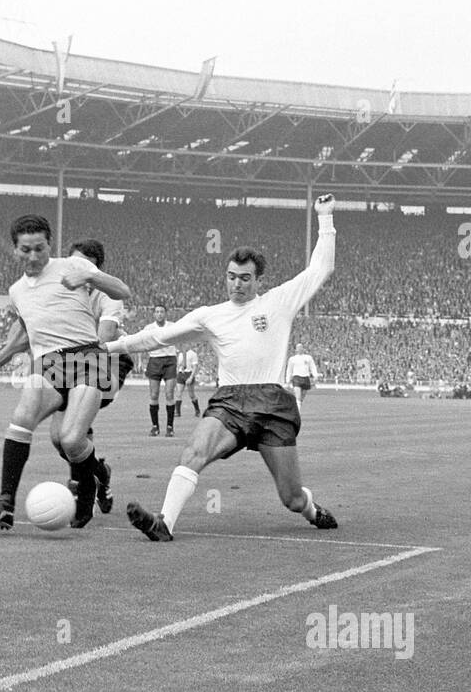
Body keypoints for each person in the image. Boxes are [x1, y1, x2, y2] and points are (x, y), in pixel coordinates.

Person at [103, 195, 340, 540]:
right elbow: (159, 337)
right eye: (231, 277)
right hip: (230, 402)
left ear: (259, 280)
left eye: (245, 278)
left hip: (273, 403)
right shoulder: (209, 316)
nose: (236, 284)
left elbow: (322, 268)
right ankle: (164, 523)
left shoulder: (279, 302)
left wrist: (326, 216)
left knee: (290, 497)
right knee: (194, 451)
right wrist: (110, 346)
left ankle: (312, 510)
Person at [0, 216, 132, 529]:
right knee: (22, 417)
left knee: (71, 441)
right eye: (26, 250)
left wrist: (91, 279)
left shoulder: (73, 266)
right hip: (48, 362)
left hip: (87, 357)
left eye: (40, 249)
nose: (34, 257)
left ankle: (87, 488)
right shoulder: (16, 291)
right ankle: (5, 501)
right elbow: (23, 336)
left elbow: (122, 291)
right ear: (15, 249)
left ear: (50, 244)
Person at [142, 305, 179, 436]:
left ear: (166, 313)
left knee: (169, 394)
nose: (159, 314)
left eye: (162, 311)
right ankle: (155, 426)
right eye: (157, 312)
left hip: (170, 360)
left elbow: (182, 340)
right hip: (155, 360)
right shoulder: (149, 328)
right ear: (154, 314)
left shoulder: (172, 326)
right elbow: (142, 342)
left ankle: (170, 427)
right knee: (153, 395)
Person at [284, 342, 319, 406]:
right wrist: (288, 380)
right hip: (296, 378)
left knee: (301, 399)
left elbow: (312, 367)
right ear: (296, 349)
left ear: (303, 349)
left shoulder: (308, 357)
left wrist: (315, 375)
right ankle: (297, 413)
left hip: (306, 378)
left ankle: (295, 406)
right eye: (298, 347)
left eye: (301, 347)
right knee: (298, 397)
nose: (300, 349)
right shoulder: (292, 359)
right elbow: (289, 370)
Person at [174, 346, 201, 418]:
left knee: (191, 395)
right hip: (181, 374)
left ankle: (197, 410)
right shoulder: (180, 354)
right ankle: (177, 412)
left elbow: (195, 367)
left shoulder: (192, 354)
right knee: (178, 393)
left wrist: (191, 377)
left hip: (188, 374)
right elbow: (177, 365)